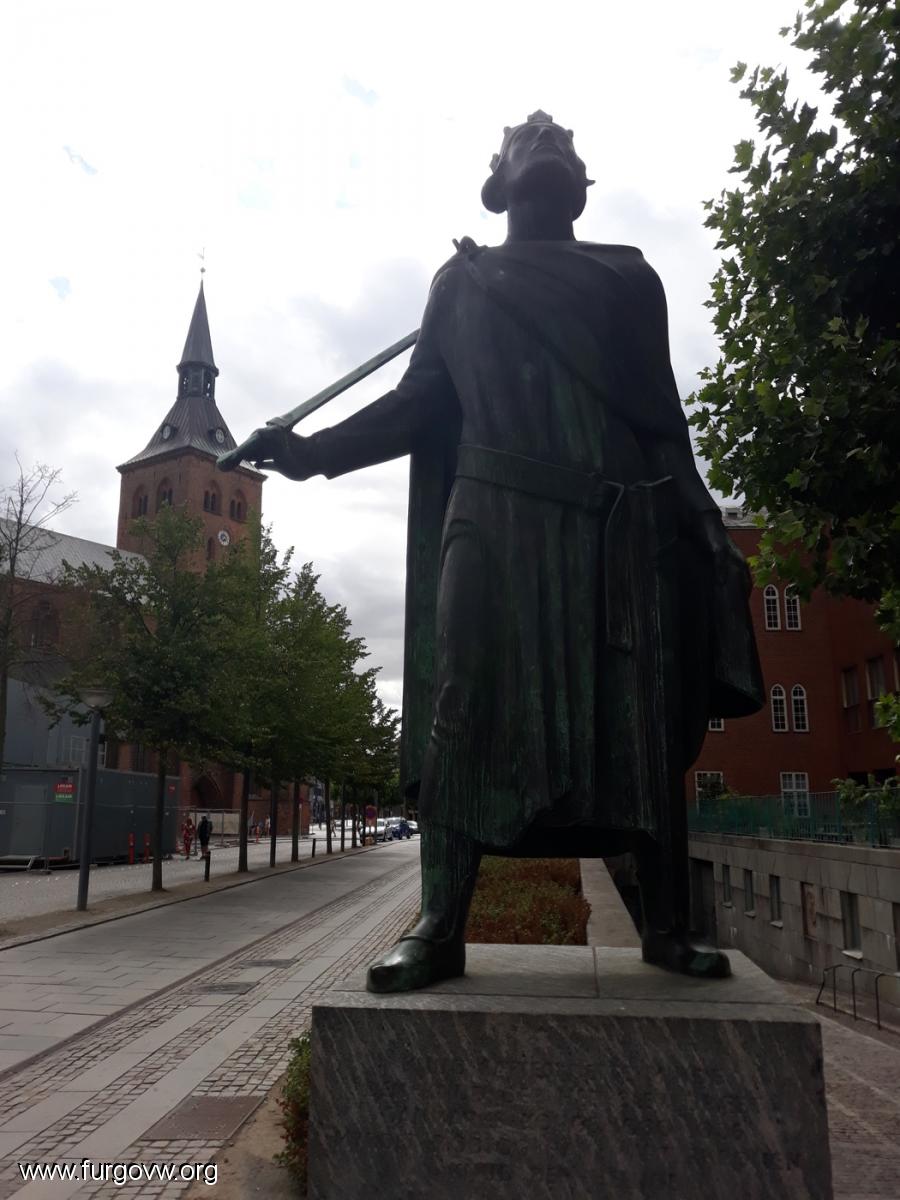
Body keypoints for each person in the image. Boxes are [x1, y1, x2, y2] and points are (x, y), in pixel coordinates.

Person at [220, 112, 762, 993]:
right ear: (497, 179)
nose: (547, 141)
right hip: (492, 517)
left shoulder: (629, 278)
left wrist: (704, 522)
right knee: (461, 699)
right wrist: (314, 452)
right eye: (526, 138)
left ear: (582, 184)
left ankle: (666, 925)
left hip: (610, 530)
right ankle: (440, 925)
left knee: (639, 717)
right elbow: (418, 404)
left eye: (564, 139)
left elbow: (664, 422)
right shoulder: (461, 284)